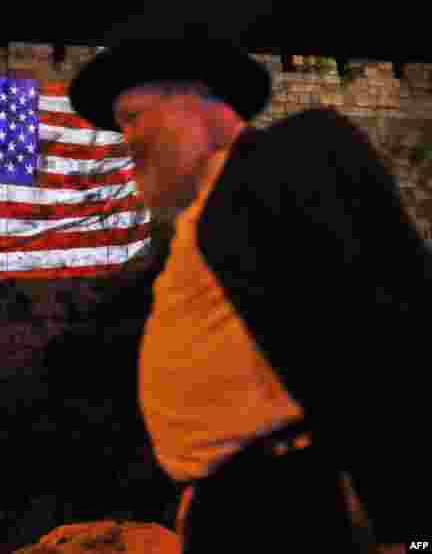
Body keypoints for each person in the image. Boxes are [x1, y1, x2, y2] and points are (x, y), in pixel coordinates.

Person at [58, 40, 428, 554]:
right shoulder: (190, 232)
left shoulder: (298, 154)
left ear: (200, 102)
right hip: (225, 507)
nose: (129, 139)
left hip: (293, 496)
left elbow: (392, 321)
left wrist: (409, 529)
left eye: (135, 117)